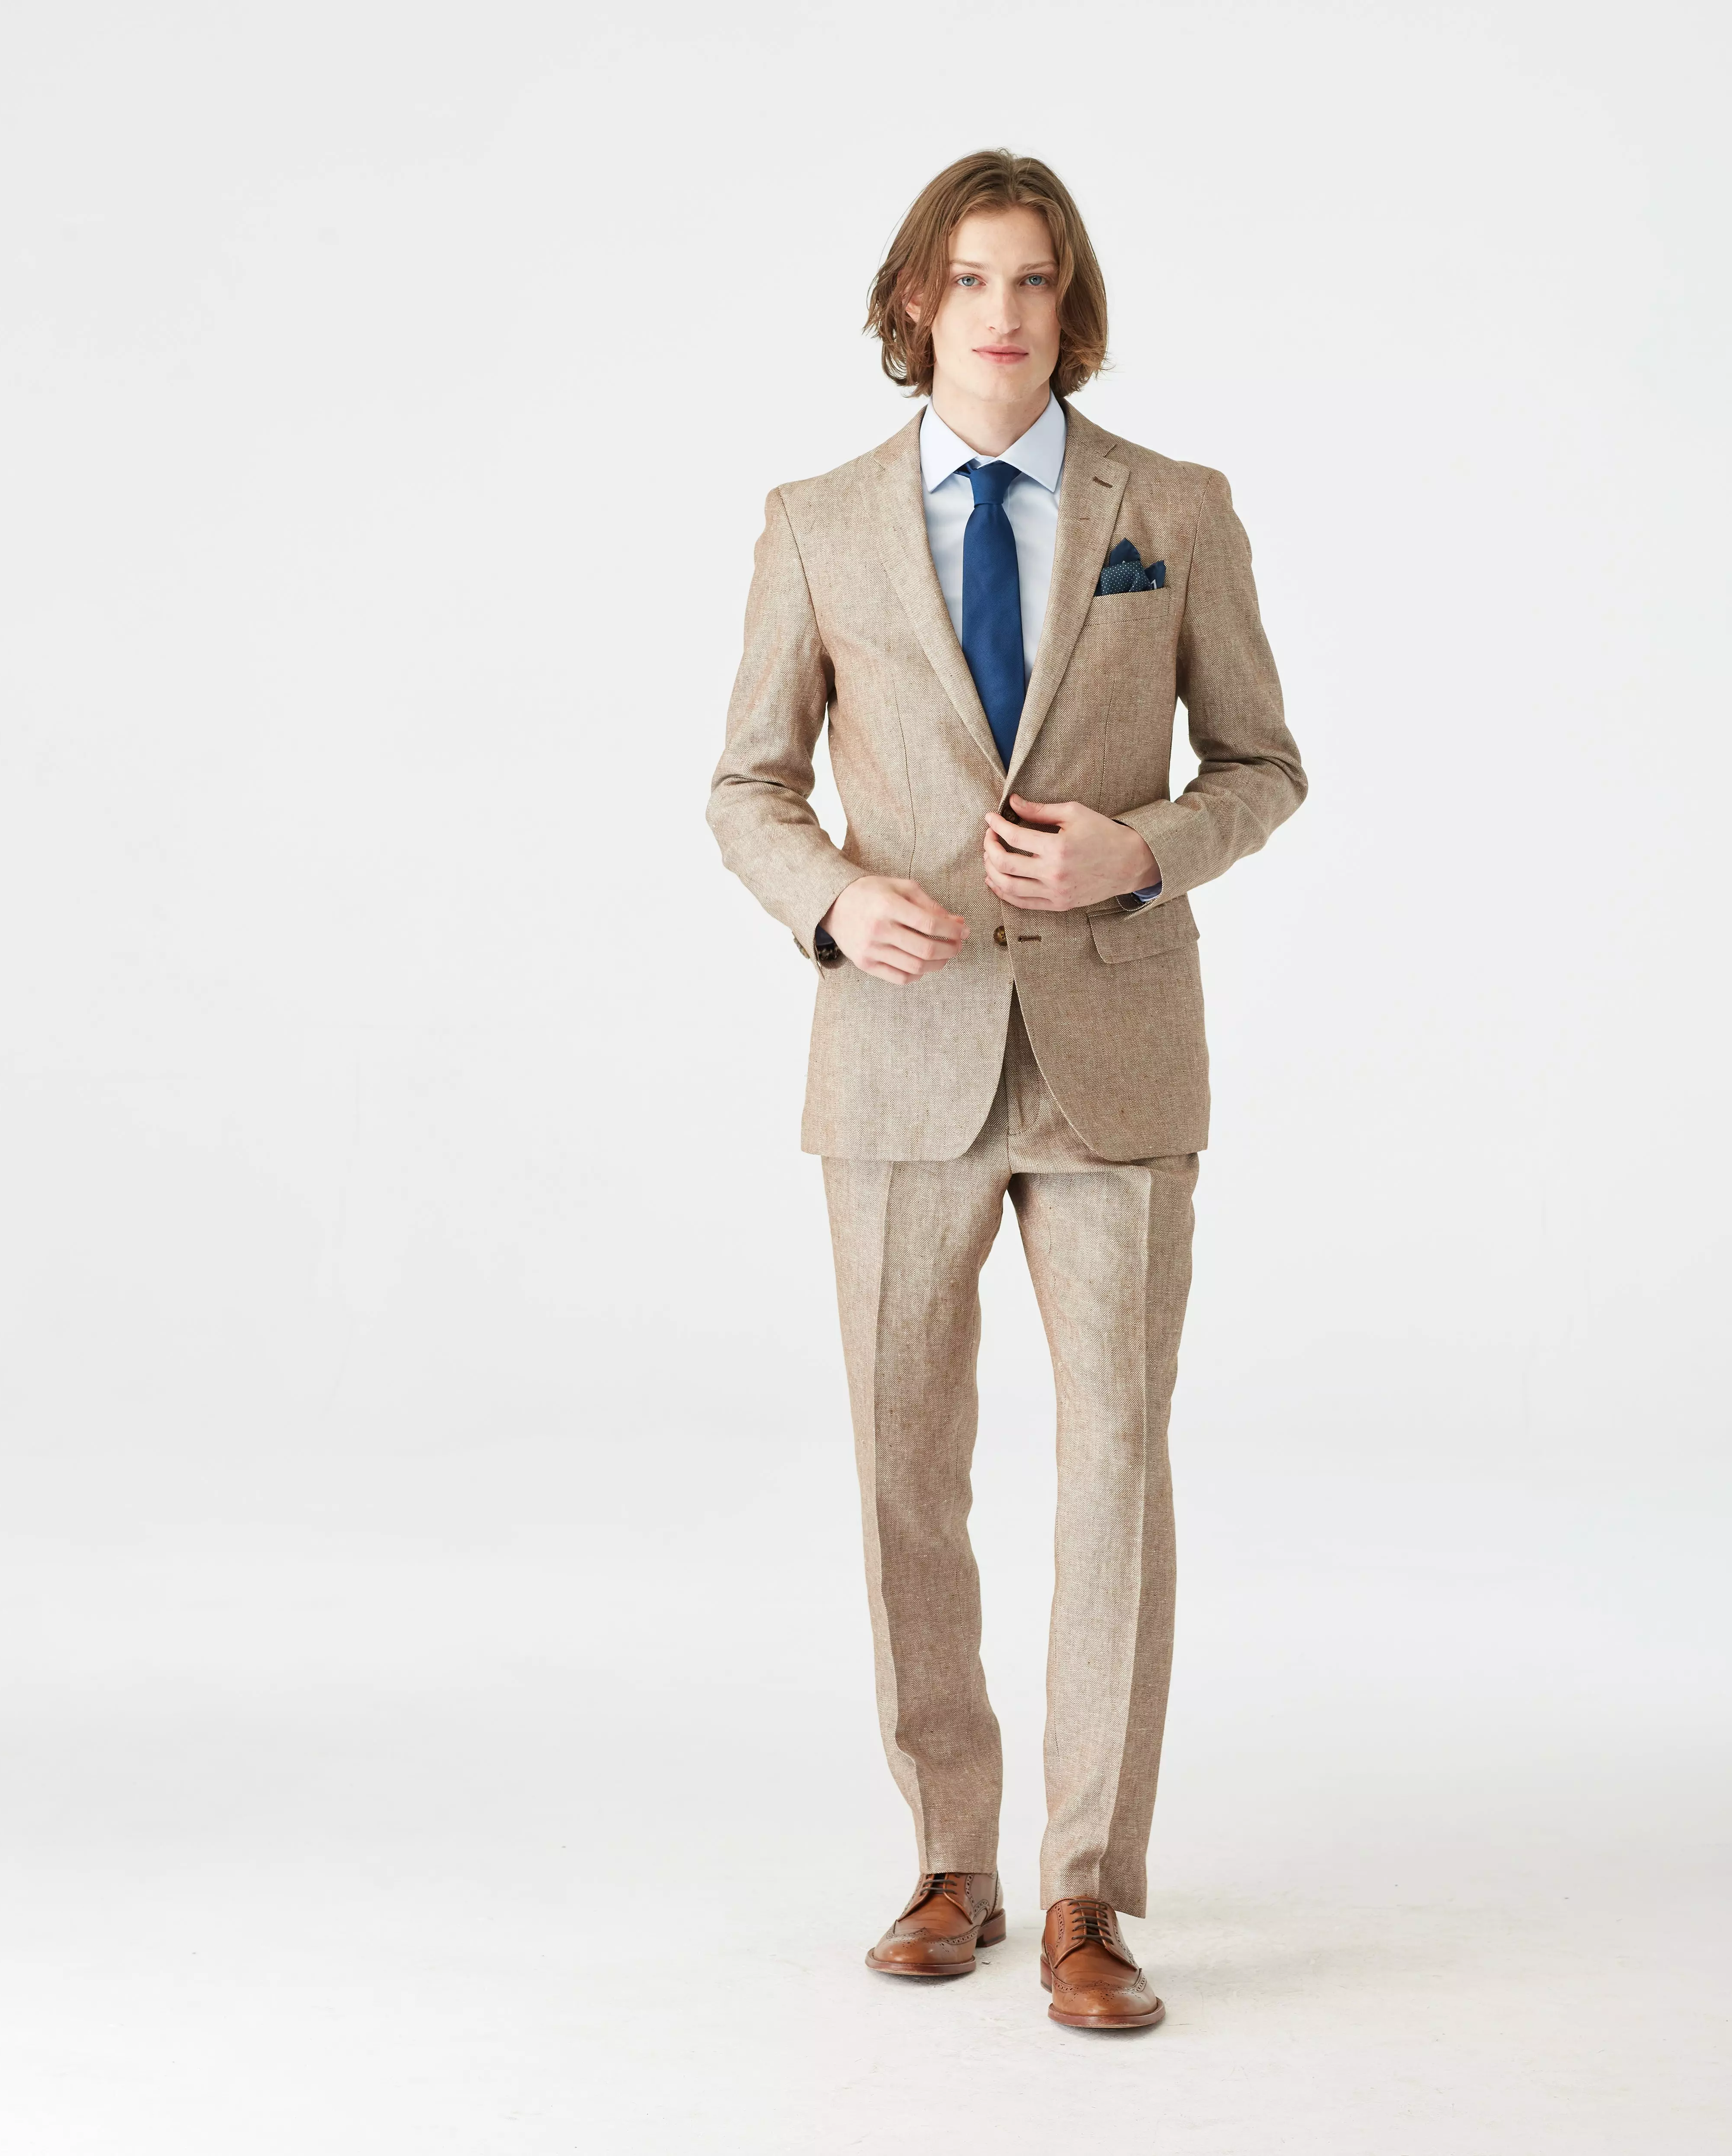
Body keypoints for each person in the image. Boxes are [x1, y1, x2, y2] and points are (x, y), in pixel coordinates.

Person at [706, 148, 1306, 2033]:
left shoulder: (1170, 509)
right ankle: (951, 1856)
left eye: (1034, 278)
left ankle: (1087, 1889)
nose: (1003, 311)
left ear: (1070, 304)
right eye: (969, 278)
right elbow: (746, 785)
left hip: (1116, 1057)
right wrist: (830, 899)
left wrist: (1142, 852)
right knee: (907, 1472)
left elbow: (1262, 763)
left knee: (1113, 1460)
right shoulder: (817, 521)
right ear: (916, 303)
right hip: (900, 1057)